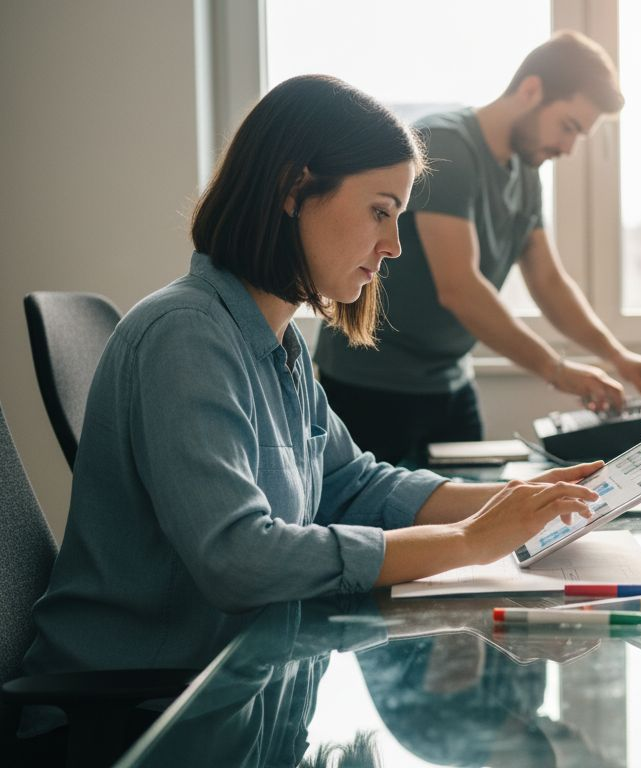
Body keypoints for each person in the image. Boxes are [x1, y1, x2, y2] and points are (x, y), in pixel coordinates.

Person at [21, 75, 602, 695]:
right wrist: (468, 541)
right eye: (381, 211)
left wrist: (516, 501)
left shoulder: (279, 343)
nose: (395, 246)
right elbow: (238, 560)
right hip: (142, 705)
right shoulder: (185, 335)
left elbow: (353, 484)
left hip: (235, 685)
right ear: (295, 190)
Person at [313, 31, 641, 464]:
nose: (568, 148)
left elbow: (548, 279)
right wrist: (557, 372)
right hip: (371, 385)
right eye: (568, 127)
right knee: (376, 520)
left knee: (472, 515)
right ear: (531, 90)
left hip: (450, 383)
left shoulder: (526, 170)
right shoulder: (446, 146)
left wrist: (616, 355)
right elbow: (460, 287)